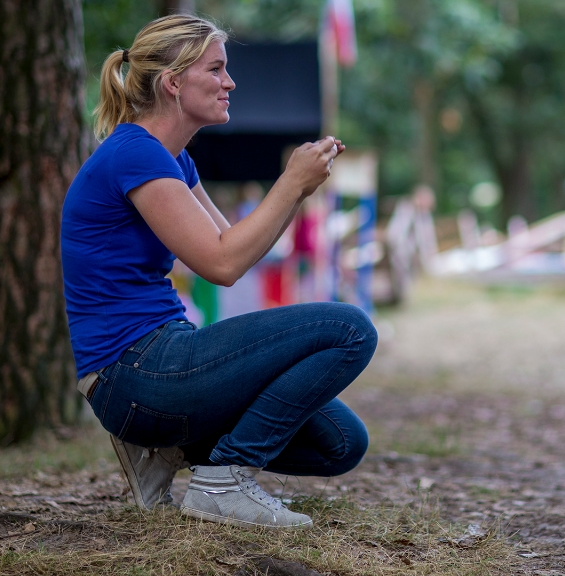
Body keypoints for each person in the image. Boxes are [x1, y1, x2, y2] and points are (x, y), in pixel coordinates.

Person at [60, 15, 377, 529]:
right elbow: (222, 264)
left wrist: (298, 191)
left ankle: (168, 451)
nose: (229, 82)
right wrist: (289, 184)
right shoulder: (134, 153)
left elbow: (235, 249)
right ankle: (223, 481)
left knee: (341, 443)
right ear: (173, 83)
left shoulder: (173, 159)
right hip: (134, 372)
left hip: (161, 357)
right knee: (350, 328)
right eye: (216, 69)